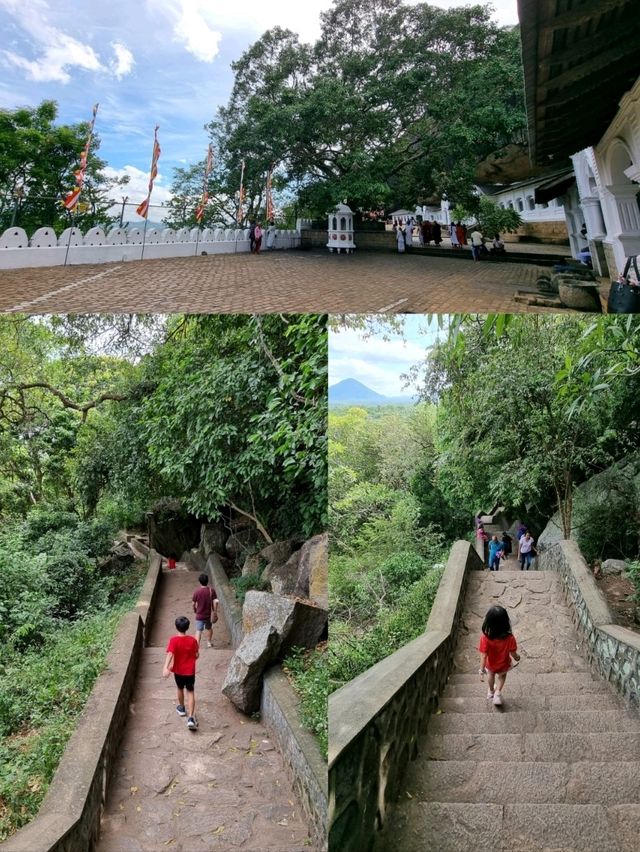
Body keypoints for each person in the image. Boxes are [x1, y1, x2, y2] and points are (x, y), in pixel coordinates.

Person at [478, 605, 520, 706]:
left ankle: (491, 691)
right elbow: (513, 653)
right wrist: (517, 657)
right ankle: (498, 692)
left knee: (491, 675)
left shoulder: (485, 638)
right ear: (506, 622)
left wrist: (481, 670)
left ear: (488, 622)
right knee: (502, 676)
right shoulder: (510, 638)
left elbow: (483, 656)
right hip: (503, 664)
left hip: (491, 664)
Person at [163, 616, 199, 730]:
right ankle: (191, 718)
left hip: (178, 671)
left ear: (176, 627)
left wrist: (166, 667)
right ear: (188, 627)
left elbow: (170, 653)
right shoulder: (193, 640)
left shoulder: (173, 640)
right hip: (190, 672)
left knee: (179, 688)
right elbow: (197, 655)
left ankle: (182, 708)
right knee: (191, 691)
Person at [192, 572, 218, 648]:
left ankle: (197, 645)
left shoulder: (197, 591)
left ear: (200, 582)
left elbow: (193, 603)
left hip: (199, 615)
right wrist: (215, 611)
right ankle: (209, 643)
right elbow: (215, 601)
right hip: (208, 615)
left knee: (198, 630)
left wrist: (195, 609)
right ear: (207, 581)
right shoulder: (211, 590)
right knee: (209, 628)